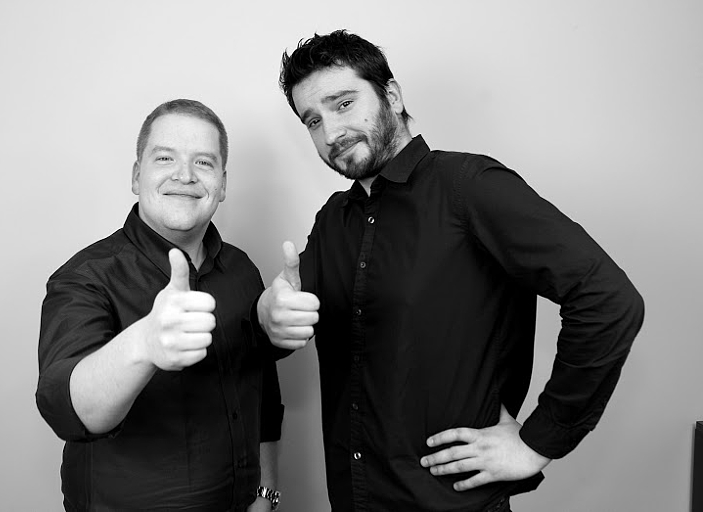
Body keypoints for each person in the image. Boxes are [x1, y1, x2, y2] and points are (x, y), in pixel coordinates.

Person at [257, 30, 644, 512]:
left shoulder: (469, 186)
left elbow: (607, 298)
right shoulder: (333, 220)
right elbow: (286, 320)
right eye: (313, 120)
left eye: (344, 104)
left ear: (392, 96)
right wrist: (267, 315)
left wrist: (539, 441)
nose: (331, 133)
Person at [37, 99, 283, 512]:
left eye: (203, 162)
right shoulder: (85, 277)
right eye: (165, 158)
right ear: (137, 176)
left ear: (222, 184)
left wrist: (267, 493)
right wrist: (144, 345)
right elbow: (68, 410)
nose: (185, 175)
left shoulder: (242, 269)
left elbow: (264, 394)